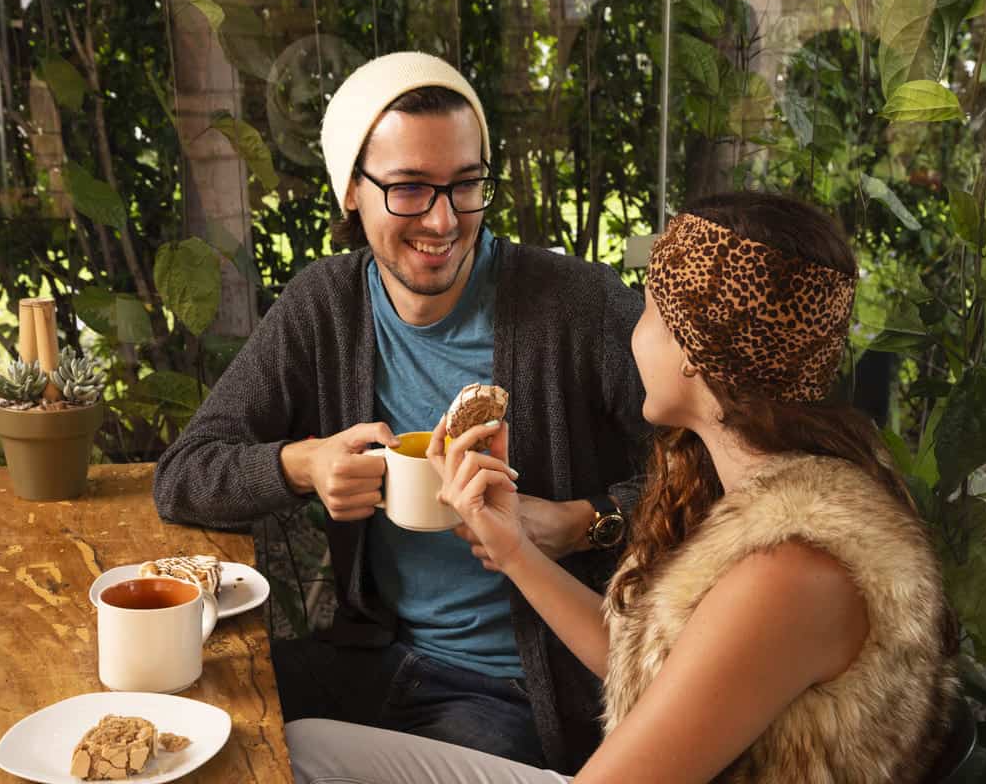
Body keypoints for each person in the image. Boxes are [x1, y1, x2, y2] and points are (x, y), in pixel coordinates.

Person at [284, 192, 961, 784]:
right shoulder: (749, 498)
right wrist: (514, 547)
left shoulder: (789, 572)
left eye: (649, 312)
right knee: (307, 748)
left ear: (697, 348)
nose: (633, 331)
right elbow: (659, 681)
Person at [152, 51, 649, 773]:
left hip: (518, 692)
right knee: (186, 732)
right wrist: (300, 466)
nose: (444, 220)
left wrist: (583, 520)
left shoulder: (576, 305)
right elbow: (184, 474)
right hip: (371, 661)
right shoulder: (325, 306)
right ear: (352, 190)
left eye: (466, 186)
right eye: (411, 189)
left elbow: (716, 474)